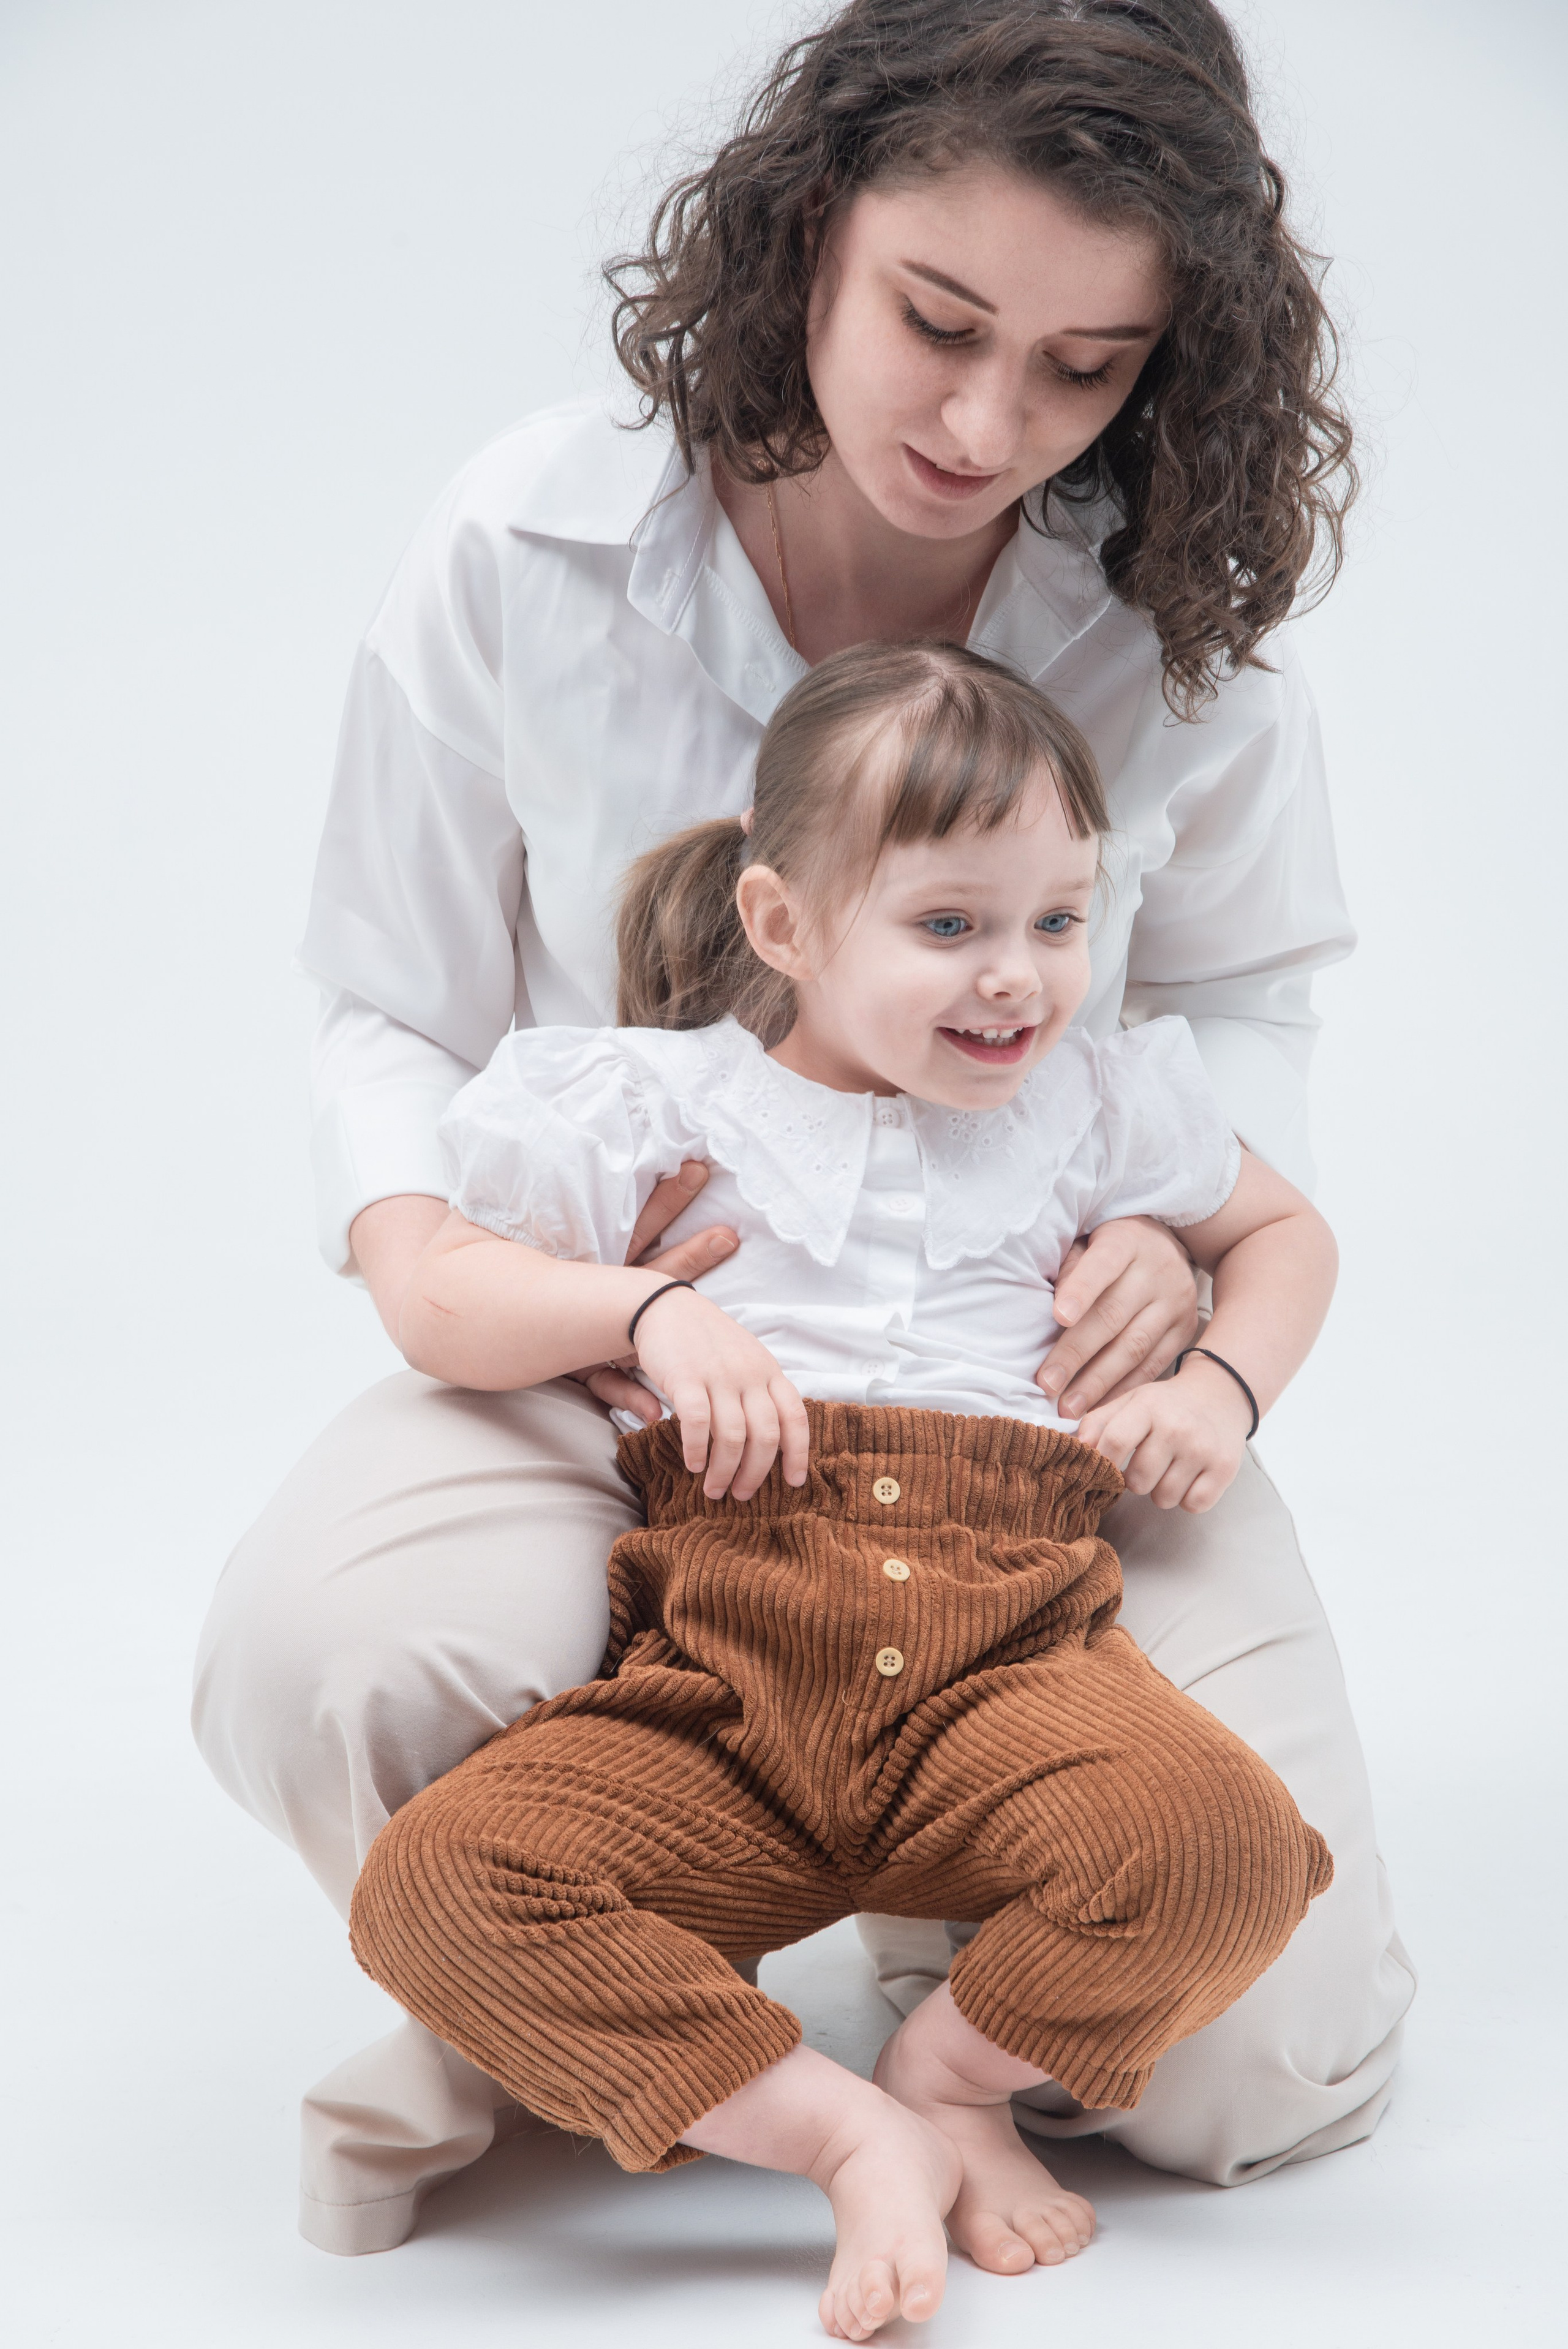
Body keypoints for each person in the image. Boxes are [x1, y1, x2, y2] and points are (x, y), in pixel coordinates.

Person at [192, 0, 1413, 2256]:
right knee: (322, 1653)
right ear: (807, 234)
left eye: (1087, 365)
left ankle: (957, 1945)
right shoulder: (530, 544)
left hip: (1022, 1398)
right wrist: (497, 1292)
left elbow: (1242, 1000)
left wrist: (1183, 1278)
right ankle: (658, 1986)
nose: (987, 423)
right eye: (938, 323)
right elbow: (388, 992)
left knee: (1250, 2064)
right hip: (633, 1358)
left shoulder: (1179, 622)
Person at [348, 639, 1337, 2342]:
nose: (1019, 978)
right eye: (949, 924)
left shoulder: (1095, 1105)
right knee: (442, 1884)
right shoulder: (663, 1100)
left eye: (1057, 919)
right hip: (725, 1673)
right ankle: (835, 2127)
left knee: (1226, 1846)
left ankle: (953, 2070)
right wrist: (645, 1306)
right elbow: (436, 1285)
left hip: (1012, 1657)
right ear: (785, 924)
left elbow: (1290, 1235)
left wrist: (1220, 1383)